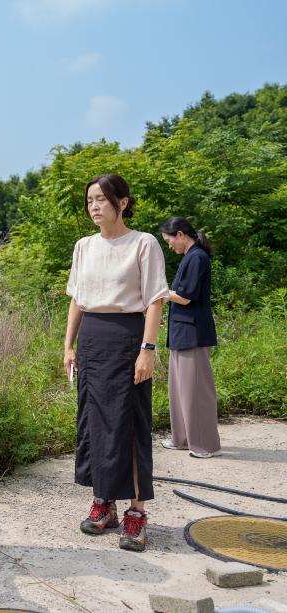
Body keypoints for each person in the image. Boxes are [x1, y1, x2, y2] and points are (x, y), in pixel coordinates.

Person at [63, 174, 168, 552]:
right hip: (91, 340)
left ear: (122, 203)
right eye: (89, 200)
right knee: (93, 423)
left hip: (128, 339)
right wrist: (68, 345)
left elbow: (155, 300)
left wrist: (147, 349)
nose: (94, 206)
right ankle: (103, 503)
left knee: (129, 423)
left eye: (102, 199)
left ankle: (136, 512)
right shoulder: (84, 246)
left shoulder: (143, 243)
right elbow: (77, 298)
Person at [159, 217, 221, 459]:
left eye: (169, 240)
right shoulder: (190, 257)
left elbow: (186, 297)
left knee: (196, 391)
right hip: (182, 332)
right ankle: (182, 439)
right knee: (180, 389)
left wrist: (160, 292)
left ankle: (204, 445)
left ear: (181, 235)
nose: (169, 245)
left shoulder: (197, 258)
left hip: (193, 333)